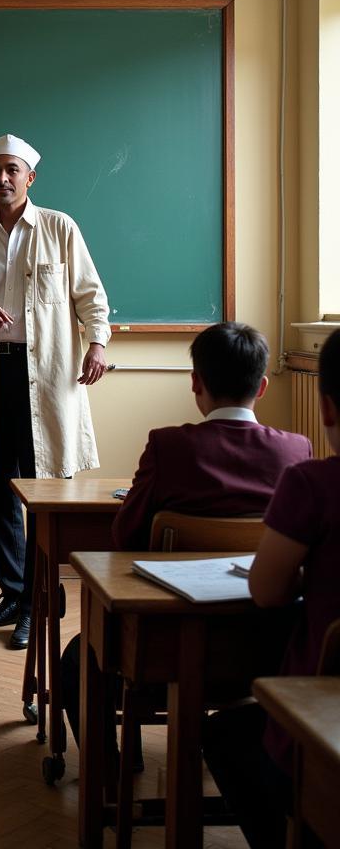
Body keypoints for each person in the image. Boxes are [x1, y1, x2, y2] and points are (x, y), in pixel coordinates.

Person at [59, 321, 311, 773]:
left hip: (166, 648)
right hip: (268, 649)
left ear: (196, 382)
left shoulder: (168, 446)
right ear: (264, 386)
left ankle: (114, 774)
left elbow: (125, 536)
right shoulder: (295, 452)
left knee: (79, 658)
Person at [0, 133, 111, 649]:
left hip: (47, 377)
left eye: (11, 170)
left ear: (31, 176)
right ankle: (12, 592)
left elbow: (90, 296)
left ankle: (36, 603)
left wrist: (97, 344)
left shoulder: (59, 228)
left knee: (43, 492)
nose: (1, 179)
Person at [202, 326, 340, 849]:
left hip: (321, 718)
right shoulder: (294, 453)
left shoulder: (314, 485)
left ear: (325, 407)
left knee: (223, 735)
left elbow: (266, 591)